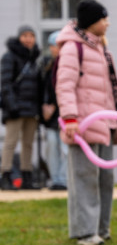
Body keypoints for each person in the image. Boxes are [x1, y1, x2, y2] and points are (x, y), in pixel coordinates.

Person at [56, 0, 117, 245]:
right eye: (103, 18)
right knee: (85, 178)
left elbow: (111, 90)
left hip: (104, 124)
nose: (107, 23)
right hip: (82, 126)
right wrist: (70, 118)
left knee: (104, 179)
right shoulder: (73, 48)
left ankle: (101, 228)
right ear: (92, 22)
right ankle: (85, 231)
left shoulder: (101, 49)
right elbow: (65, 85)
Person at [0, 25, 41, 190]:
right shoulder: (9, 57)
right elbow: (5, 83)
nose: (28, 39)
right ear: (19, 38)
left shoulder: (34, 60)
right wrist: (12, 105)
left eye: (31, 36)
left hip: (31, 108)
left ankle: (27, 176)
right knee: (11, 142)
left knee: (28, 143)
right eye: (25, 35)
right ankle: (5, 175)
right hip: (15, 108)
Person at [40, 30, 68, 190]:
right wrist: (44, 106)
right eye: (53, 46)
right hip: (50, 116)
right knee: (51, 146)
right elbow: (44, 88)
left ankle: (64, 180)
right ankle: (56, 179)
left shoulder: (68, 64)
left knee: (65, 147)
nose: (56, 49)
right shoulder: (47, 65)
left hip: (64, 113)